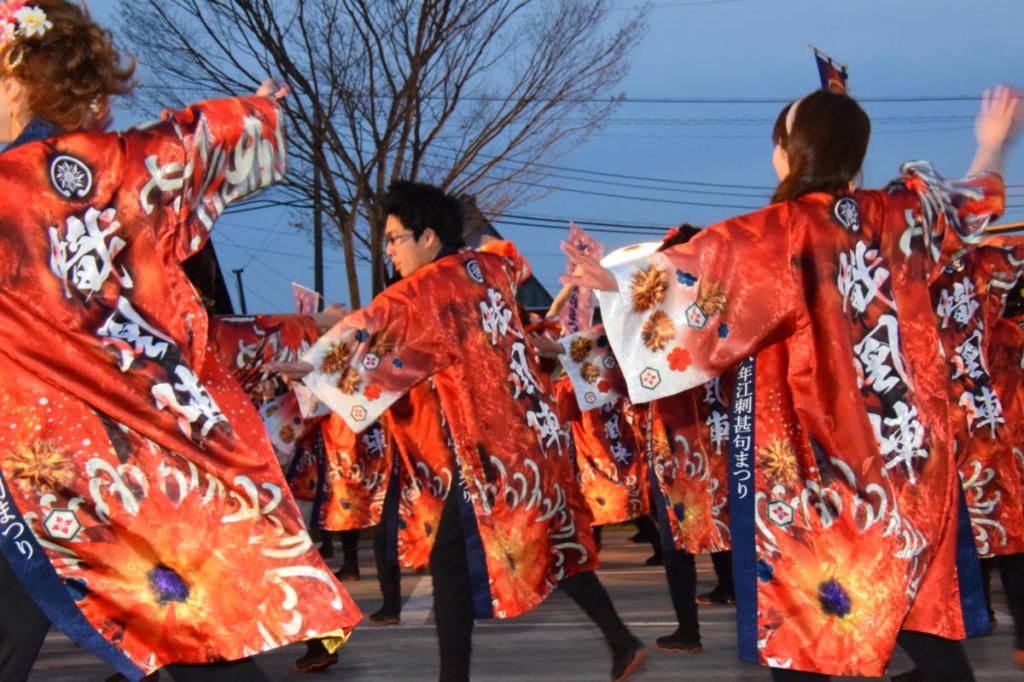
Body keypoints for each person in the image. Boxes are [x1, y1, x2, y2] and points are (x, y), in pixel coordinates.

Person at [563, 86, 1020, 680]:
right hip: (907, 458)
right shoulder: (900, 212)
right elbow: (970, 205)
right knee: (907, 606)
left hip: (818, 465)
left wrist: (613, 283)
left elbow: (689, 290)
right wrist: (992, 142)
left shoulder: (778, 231)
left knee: (808, 622)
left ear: (791, 152)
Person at [0, 2, 361, 680]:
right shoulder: (115, 168)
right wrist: (254, 118)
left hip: (59, 469)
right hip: (107, 464)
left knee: (185, 641)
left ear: (16, 78)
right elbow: (197, 143)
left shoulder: (13, 186)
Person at [286, 180, 646, 681]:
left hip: (493, 448)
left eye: (394, 239)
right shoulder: (492, 268)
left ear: (427, 237)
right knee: (547, 541)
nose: (389, 252)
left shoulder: (434, 284)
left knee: (466, 559)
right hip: (534, 432)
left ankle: (459, 674)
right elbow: (508, 258)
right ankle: (621, 641)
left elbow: (378, 321)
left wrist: (315, 365)